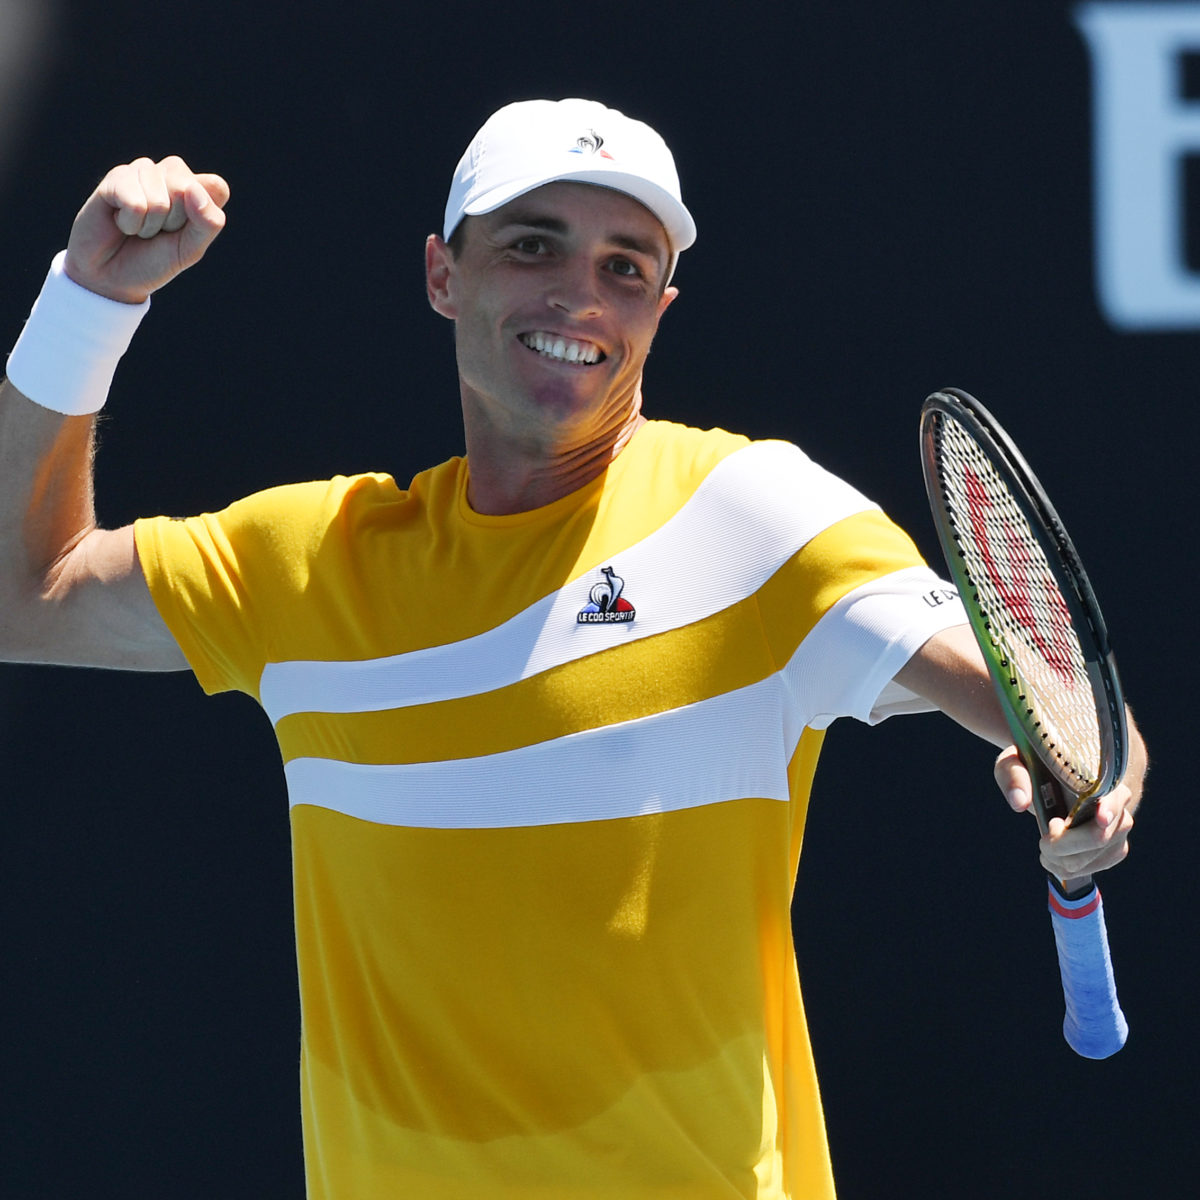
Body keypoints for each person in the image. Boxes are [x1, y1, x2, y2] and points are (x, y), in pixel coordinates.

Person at [0, 98, 1145, 1199]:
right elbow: (24, 599)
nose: (580, 296)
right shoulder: (311, 565)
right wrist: (90, 298)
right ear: (443, 274)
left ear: (661, 308)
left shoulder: (755, 515)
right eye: (533, 246)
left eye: (625, 267)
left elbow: (1055, 704)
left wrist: (1089, 780)